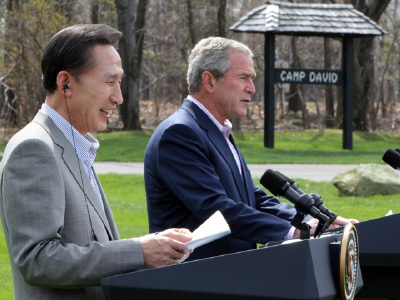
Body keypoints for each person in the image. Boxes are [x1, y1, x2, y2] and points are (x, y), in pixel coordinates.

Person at [0, 24, 192, 300]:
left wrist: (154, 246)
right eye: (108, 81)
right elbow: (37, 260)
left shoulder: (74, 145)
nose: (118, 97)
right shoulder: (35, 148)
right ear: (65, 83)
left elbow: (92, 245)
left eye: (120, 81)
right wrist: (139, 251)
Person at [144, 36, 357, 261]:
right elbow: (216, 209)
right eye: (243, 78)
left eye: (252, 78)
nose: (252, 88)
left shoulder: (216, 128)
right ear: (209, 81)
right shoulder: (179, 133)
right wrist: (291, 232)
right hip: (193, 281)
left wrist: (307, 220)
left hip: (229, 275)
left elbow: (250, 199)